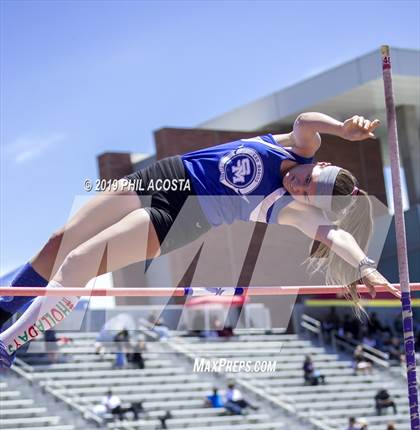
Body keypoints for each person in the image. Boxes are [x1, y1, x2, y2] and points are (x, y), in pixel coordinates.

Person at [0, 112, 400, 368]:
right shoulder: (300, 146)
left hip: (180, 218)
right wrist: (343, 130)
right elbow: (307, 120)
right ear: (321, 164)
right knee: (58, 242)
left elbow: (336, 234)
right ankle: (5, 308)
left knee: (78, 263)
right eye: (307, 180)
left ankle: (8, 344)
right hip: (166, 175)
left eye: (307, 193)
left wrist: (365, 266)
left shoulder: (292, 208)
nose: (298, 186)